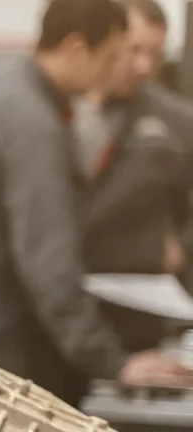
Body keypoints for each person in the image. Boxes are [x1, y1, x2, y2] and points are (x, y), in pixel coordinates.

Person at [0, 0, 188, 405]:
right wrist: (112, 362)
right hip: (2, 348)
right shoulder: (33, 124)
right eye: (112, 55)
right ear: (77, 48)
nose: (114, 69)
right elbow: (48, 260)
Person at [74, 0, 193, 352]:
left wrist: (181, 248)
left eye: (155, 54)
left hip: (141, 312)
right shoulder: (55, 114)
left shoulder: (176, 122)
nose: (144, 66)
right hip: (65, 306)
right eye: (134, 50)